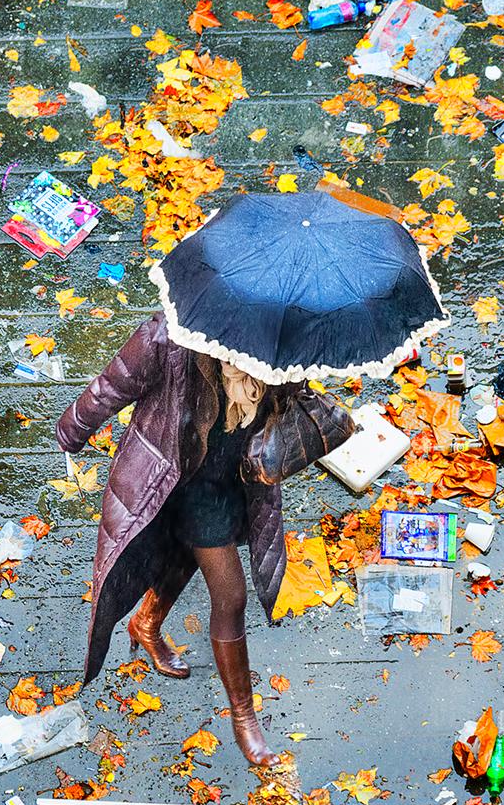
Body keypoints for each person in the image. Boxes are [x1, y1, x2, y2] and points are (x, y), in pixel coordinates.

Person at [55, 311, 322, 766]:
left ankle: (149, 626)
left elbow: (286, 409)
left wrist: (296, 384)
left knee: (189, 566)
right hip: (160, 473)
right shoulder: (170, 334)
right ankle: (244, 715)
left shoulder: (279, 345)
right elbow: (113, 384)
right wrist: (73, 429)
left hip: (220, 482)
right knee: (219, 586)